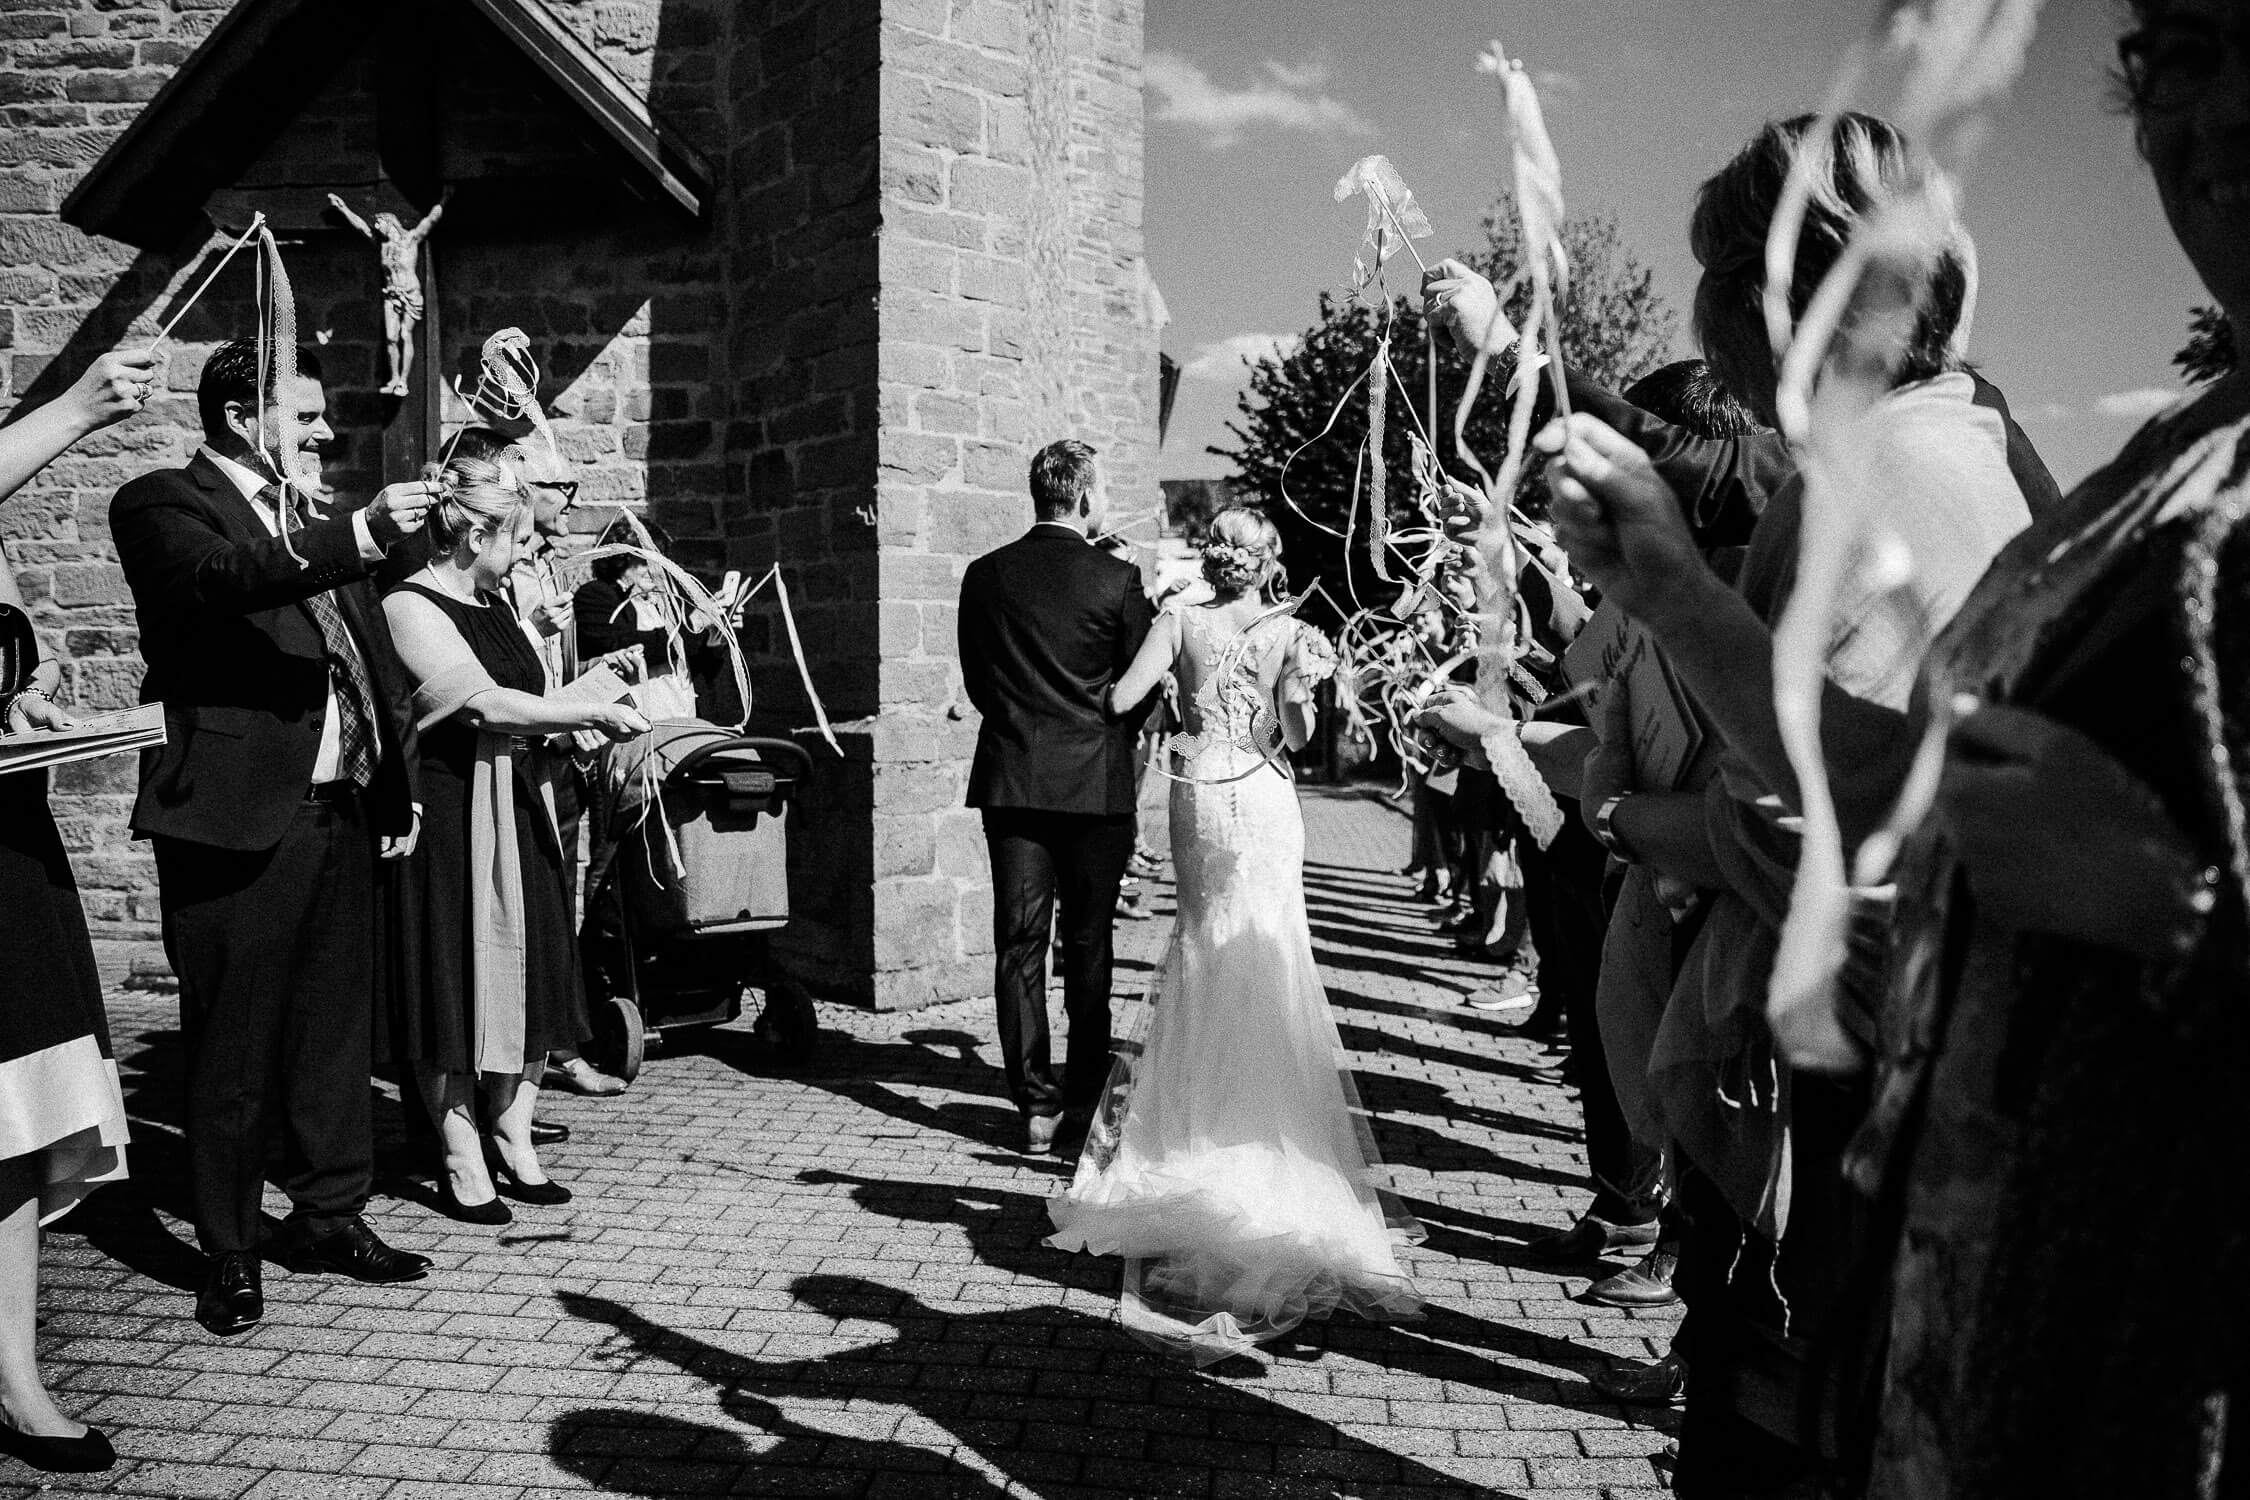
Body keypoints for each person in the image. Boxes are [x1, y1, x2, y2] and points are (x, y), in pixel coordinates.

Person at [1540, 114, 2052, 1498]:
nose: (1702, 312)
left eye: (1713, 266)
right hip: (1862, 1093)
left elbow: (1797, 819)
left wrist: (1658, 607)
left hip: (1824, 1113)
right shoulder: (1959, 439)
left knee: (1767, 1439)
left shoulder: (1876, 472)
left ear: (1785, 289)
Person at [1827, 9, 2247, 1493]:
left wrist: (2171, 915)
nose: (2221, 114)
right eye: (2186, 52)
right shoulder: (2182, 445)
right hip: (2007, 1312)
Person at [111, 340, 438, 1339]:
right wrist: (356, 531)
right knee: (233, 1042)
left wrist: (395, 784)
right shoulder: (162, 500)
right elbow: (221, 580)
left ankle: (330, 1216)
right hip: (233, 814)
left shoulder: (316, 520)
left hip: (339, 806)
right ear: (243, 416)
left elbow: (366, 653)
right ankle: (230, 1249)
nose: (325, 434)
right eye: (304, 416)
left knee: (334, 1030)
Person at [1047, 506, 1422, 1364]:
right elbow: (1294, 739)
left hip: (1197, 793)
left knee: (1204, 950)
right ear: (1269, 560)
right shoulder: (1291, 630)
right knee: (1271, 952)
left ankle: (1189, 1138)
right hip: (1261, 795)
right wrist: (1297, 691)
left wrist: (1182, 694)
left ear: (1219, 559)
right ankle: (1263, 1145)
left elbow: (1121, 698)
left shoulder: (1179, 615)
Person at [381, 456, 649, 1225]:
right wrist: (587, 714)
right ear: (472, 533)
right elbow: (485, 705)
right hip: (455, 815)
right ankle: (460, 1149)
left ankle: (513, 1131)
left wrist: (595, 694)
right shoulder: (409, 605)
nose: (527, 555)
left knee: (535, 970)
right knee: (455, 981)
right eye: (519, 540)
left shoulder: (497, 603)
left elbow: (532, 699)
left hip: (522, 804)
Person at [0, 348, 154, 1471]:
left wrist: (33, 699)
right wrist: (74, 410)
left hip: (5, 844)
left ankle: (13, 1375)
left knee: (11, 1123)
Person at [957, 439, 1154, 1155]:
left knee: (1019, 943)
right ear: (1086, 495)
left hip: (1012, 779)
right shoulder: (1118, 578)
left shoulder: (984, 576)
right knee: (1089, 941)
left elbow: (979, 683)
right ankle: (1084, 1096)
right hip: (1096, 786)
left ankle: (1035, 1108)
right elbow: (1141, 689)